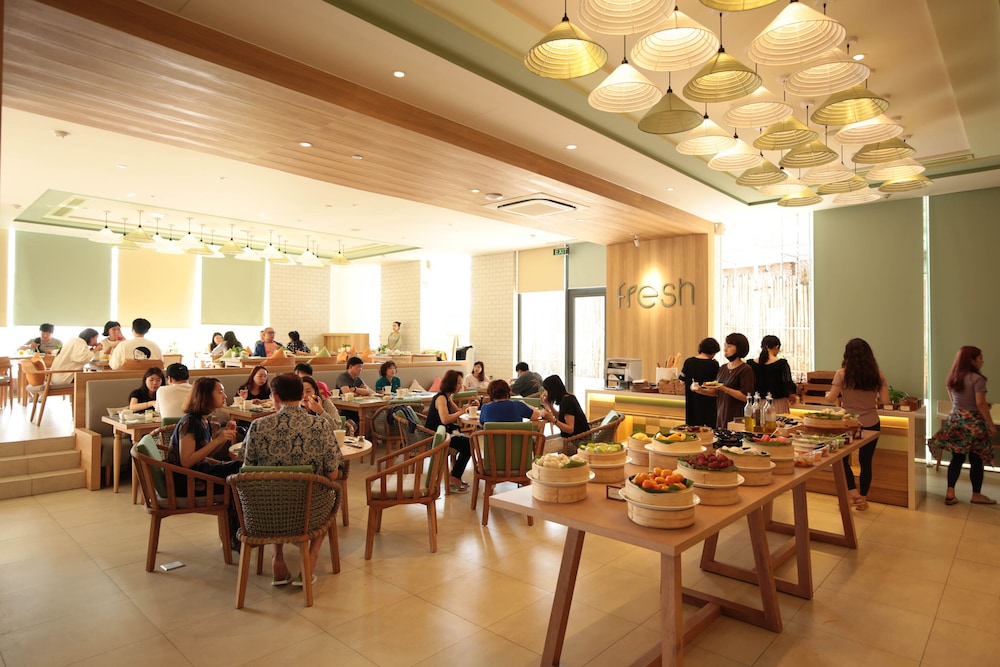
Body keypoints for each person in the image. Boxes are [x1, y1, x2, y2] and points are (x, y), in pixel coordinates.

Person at [242, 373, 343, 586]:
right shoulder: (320, 426)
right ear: (300, 395)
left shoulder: (258, 426)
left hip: (265, 511)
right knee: (331, 496)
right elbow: (332, 474)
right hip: (309, 510)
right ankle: (311, 558)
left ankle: (277, 557)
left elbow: (247, 470)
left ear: (275, 396)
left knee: (273, 488)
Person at [166, 377, 242, 549]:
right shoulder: (190, 422)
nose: (225, 396)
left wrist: (223, 438)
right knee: (240, 477)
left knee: (242, 468)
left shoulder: (203, 419)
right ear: (206, 396)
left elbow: (203, 454)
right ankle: (235, 535)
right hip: (187, 481)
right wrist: (218, 440)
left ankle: (236, 532)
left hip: (199, 473)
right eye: (220, 392)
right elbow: (187, 461)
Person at [825, 338, 889, 512]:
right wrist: (871, 397)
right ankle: (863, 499)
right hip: (872, 422)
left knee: (841, 459)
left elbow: (831, 398)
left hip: (849, 423)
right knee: (866, 462)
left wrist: (828, 395)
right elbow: (885, 400)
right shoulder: (878, 375)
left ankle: (852, 493)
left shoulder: (841, 374)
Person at [931, 346, 997, 505]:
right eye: (980, 358)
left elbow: (956, 401)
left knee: (957, 458)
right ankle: (976, 495)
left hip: (956, 419)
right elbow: (980, 403)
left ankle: (950, 493)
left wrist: (965, 407)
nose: (982, 361)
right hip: (974, 423)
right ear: (971, 360)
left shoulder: (953, 378)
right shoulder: (978, 379)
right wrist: (991, 424)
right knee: (976, 459)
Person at [694, 333, 755, 429]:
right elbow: (716, 392)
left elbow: (746, 397)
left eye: (729, 346)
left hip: (737, 419)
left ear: (739, 348)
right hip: (721, 416)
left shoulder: (745, 369)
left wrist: (724, 388)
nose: (725, 349)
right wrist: (701, 390)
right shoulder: (723, 368)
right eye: (725, 345)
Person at [425, 369, 472, 493]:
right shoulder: (441, 398)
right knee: (470, 444)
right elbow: (445, 419)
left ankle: (455, 476)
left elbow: (458, 414)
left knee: (470, 442)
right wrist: (461, 412)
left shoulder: (447, 397)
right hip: (436, 436)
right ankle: (454, 477)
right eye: (458, 383)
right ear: (451, 384)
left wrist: (466, 409)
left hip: (445, 433)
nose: (461, 386)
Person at [747, 335, 798, 415]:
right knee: (778, 422)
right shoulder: (782, 364)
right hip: (777, 403)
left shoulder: (751, 364)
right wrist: (792, 395)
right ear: (777, 347)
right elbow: (787, 382)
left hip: (757, 404)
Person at [679, 338, 720, 427]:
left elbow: (682, 381)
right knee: (708, 431)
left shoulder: (689, 362)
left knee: (692, 430)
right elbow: (716, 386)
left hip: (692, 404)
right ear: (713, 351)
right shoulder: (714, 365)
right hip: (709, 406)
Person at [540, 375, 589, 443]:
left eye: (546, 390)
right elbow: (560, 417)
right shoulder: (568, 397)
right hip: (575, 437)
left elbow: (570, 429)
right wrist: (549, 404)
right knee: (541, 441)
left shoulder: (567, 402)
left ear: (552, 391)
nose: (544, 392)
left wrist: (552, 420)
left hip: (577, 440)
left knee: (541, 445)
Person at [335, 356, 371, 424]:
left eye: (361, 367)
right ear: (351, 367)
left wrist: (355, 389)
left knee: (368, 421)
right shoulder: (342, 377)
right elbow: (347, 393)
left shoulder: (358, 379)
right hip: (344, 408)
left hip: (357, 407)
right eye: (358, 367)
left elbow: (367, 392)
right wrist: (360, 393)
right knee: (357, 422)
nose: (360, 369)